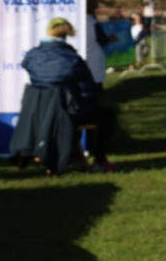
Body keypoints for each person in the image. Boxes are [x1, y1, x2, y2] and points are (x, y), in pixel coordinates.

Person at [17, 17, 116, 172]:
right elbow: (87, 89)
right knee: (106, 114)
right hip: (67, 111)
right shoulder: (73, 59)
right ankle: (100, 159)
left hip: (38, 111)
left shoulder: (31, 57)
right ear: (66, 36)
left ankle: (71, 155)